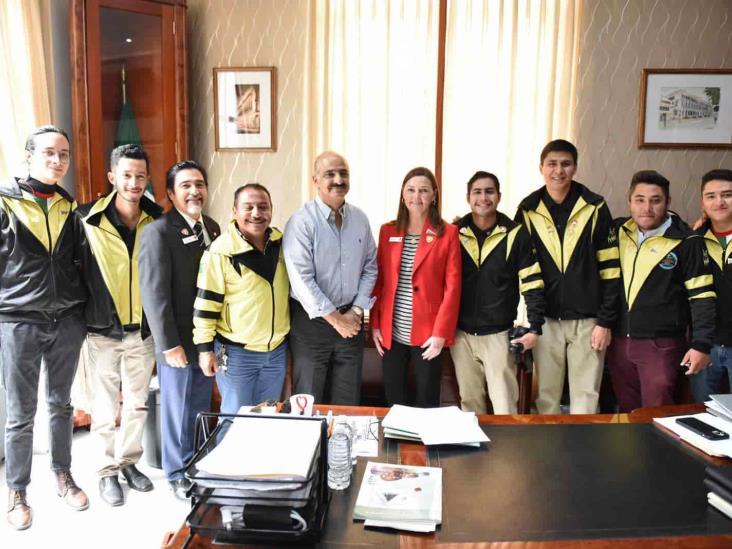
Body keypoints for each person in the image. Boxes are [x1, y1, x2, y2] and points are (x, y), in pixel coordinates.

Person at [1, 125, 88, 530]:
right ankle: (16, 490)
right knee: (20, 413)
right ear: (30, 156)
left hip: (66, 321)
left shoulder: (70, 207)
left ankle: (63, 474)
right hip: (19, 322)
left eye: (64, 155)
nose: (57, 161)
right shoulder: (6, 203)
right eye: (49, 153)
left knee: (61, 405)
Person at [75, 144, 162, 506]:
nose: (134, 182)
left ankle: (129, 463)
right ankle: (106, 472)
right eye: (126, 175)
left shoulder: (157, 219)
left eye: (140, 176)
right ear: (112, 177)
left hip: (142, 332)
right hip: (102, 331)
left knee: (137, 404)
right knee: (105, 408)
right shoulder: (86, 218)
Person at [515, 139, 620, 414]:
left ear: (575, 168)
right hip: (546, 320)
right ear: (541, 167)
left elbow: (611, 269)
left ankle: (584, 457)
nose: (558, 171)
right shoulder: (527, 209)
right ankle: (548, 455)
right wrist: (533, 322)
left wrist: (605, 321)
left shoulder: (594, 206)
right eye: (552, 164)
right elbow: (524, 269)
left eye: (565, 164)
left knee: (586, 398)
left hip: (588, 320)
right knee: (546, 397)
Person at [139, 160, 220, 500]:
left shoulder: (214, 228)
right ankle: (176, 472)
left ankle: (196, 463)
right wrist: (169, 344)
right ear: (171, 193)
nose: (194, 190)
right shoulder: (158, 231)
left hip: (206, 340)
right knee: (177, 408)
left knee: (200, 405)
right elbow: (153, 293)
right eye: (185, 185)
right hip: (178, 341)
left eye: (199, 184)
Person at [607, 170, 715, 411]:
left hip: (661, 346)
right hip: (618, 343)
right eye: (640, 200)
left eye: (655, 200)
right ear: (629, 202)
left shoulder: (688, 242)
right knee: (626, 413)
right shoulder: (617, 233)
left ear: (668, 202)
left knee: (658, 413)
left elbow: (703, 298)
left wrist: (701, 344)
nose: (647, 208)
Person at [283, 151, 377, 405]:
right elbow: (301, 280)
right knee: (309, 403)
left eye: (343, 173)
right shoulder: (301, 222)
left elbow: (370, 267)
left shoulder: (360, 219)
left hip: (351, 323)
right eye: (329, 174)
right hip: (312, 325)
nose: (338, 179)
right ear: (315, 180)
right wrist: (336, 319)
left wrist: (355, 311)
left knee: (347, 404)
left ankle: (343, 446)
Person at [451, 171, 545, 414]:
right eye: (477, 192)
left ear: (499, 196)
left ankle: (508, 454)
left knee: (505, 407)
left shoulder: (516, 234)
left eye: (489, 191)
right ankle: (474, 454)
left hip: (499, 335)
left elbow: (532, 282)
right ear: (468, 197)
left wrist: (535, 326)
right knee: (470, 405)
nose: (483, 197)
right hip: (460, 336)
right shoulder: (454, 232)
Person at [193, 184, 289, 413]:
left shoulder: (282, 243)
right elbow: (206, 305)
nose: (257, 213)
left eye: (263, 207)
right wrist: (205, 350)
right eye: (249, 207)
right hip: (237, 356)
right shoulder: (220, 251)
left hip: (275, 354)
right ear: (234, 212)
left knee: (267, 420)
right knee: (234, 422)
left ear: (271, 211)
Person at [371, 167, 461, 407]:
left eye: (423, 191)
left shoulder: (448, 233)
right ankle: (396, 445)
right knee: (394, 402)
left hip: (428, 336)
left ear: (434, 195)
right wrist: (376, 324)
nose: (416, 196)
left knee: (427, 402)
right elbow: (379, 281)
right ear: (402, 194)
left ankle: (425, 447)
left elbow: (452, 288)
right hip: (392, 333)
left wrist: (440, 333)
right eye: (410, 190)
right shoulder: (387, 231)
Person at [690, 169, 732, 401]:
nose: (719, 202)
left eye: (727, 194)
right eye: (711, 196)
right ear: (702, 202)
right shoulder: (694, 241)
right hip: (706, 346)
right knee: (703, 416)